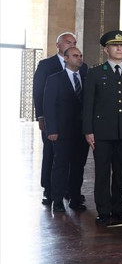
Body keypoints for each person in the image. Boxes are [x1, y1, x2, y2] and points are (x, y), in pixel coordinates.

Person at [83, 31, 122, 226]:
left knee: (121, 172)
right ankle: (104, 210)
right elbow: (88, 104)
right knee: (102, 173)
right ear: (106, 50)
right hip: (102, 132)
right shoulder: (96, 73)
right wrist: (88, 131)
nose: (119, 49)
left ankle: (119, 208)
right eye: (115, 46)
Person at [33, 32, 87, 206]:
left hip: (79, 126)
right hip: (56, 123)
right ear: (58, 46)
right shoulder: (46, 65)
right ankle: (50, 191)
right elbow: (40, 92)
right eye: (67, 42)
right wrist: (42, 118)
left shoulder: (83, 68)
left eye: (74, 42)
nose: (71, 44)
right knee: (53, 157)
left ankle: (71, 192)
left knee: (76, 162)